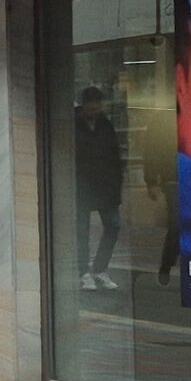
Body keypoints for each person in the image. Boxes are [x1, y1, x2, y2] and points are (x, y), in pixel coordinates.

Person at [71, 83, 125, 291]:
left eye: (98, 107)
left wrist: (116, 184)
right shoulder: (73, 126)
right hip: (82, 186)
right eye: (92, 108)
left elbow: (114, 155)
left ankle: (99, 269)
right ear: (84, 107)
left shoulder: (105, 125)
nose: (95, 111)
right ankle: (83, 272)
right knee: (81, 231)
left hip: (105, 186)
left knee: (113, 226)